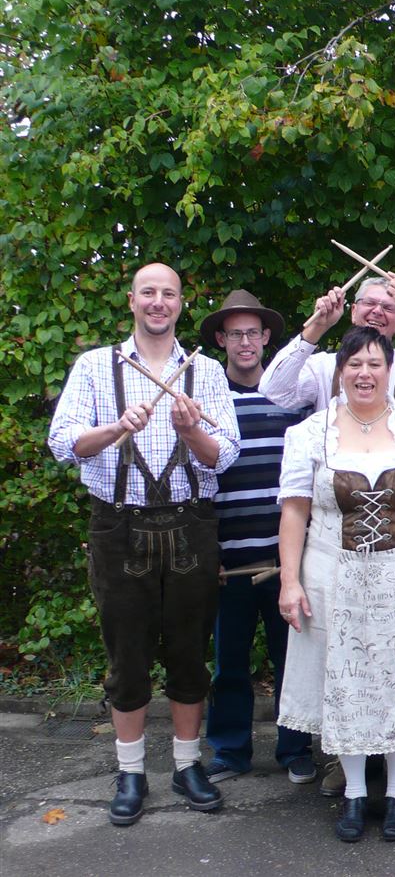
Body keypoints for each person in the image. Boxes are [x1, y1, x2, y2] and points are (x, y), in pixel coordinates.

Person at [47, 263, 240, 826]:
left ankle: (186, 765)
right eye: (148, 292)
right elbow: (63, 442)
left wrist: (190, 431)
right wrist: (116, 428)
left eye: (169, 294)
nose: (159, 302)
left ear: (180, 304)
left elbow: (224, 454)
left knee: (189, 652)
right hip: (118, 527)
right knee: (127, 657)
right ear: (132, 301)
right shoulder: (94, 366)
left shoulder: (204, 370)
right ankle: (130, 772)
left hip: (191, 525)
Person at [274, 327, 395, 843]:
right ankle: (354, 793)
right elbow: (294, 511)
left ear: (389, 371)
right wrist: (289, 581)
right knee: (346, 683)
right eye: (354, 364)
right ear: (340, 372)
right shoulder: (310, 432)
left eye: (375, 363)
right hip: (333, 578)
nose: (364, 373)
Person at [197, 290, 315, 786]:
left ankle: (295, 750)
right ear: (221, 340)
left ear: (267, 337)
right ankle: (229, 751)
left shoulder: (293, 396)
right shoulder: (208, 400)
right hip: (229, 560)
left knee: (294, 660)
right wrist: (209, 553)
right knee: (229, 664)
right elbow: (198, 479)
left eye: (253, 333)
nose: (245, 342)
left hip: (286, 559)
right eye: (235, 334)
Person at [260, 274, 395, 415]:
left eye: (388, 308)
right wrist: (317, 327)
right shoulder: (323, 366)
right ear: (353, 312)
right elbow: (274, 390)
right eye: (370, 303)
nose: (377, 311)